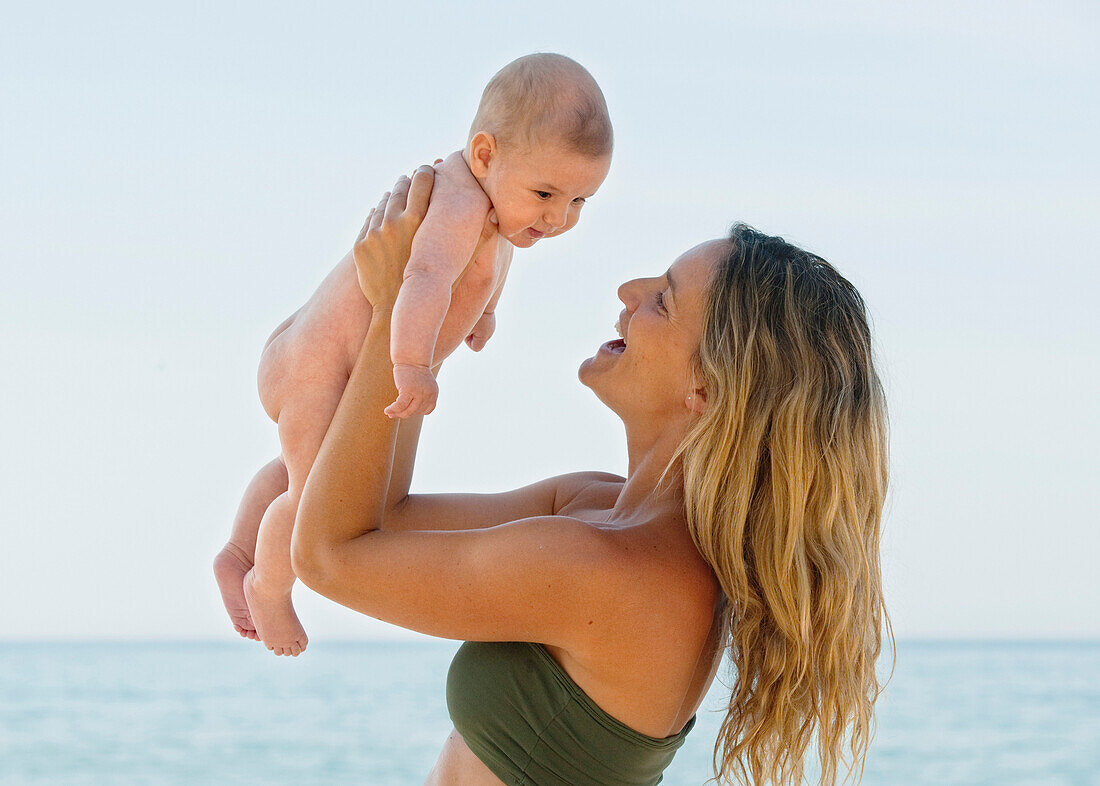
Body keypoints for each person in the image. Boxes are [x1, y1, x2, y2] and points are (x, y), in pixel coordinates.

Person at [292, 167, 891, 785]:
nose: (628, 290)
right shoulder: (596, 506)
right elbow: (388, 516)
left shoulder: (611, 569)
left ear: (707, 388)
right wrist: (430, 324)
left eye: (662, 299)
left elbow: (328, 555)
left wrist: (397, 305)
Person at [212, 53, 613, 655]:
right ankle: (268, 586)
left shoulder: (496, 207)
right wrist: (410, 366)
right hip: (321, 365)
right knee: (314, 492)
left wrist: (484, 314)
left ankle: (238, 550)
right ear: (484, 155)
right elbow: (422, 277)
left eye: (579, 201)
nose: (558, 218)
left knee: (301, 466)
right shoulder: (456, 202)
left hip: (316, 356)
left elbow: (481, 271)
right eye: (546, 193)